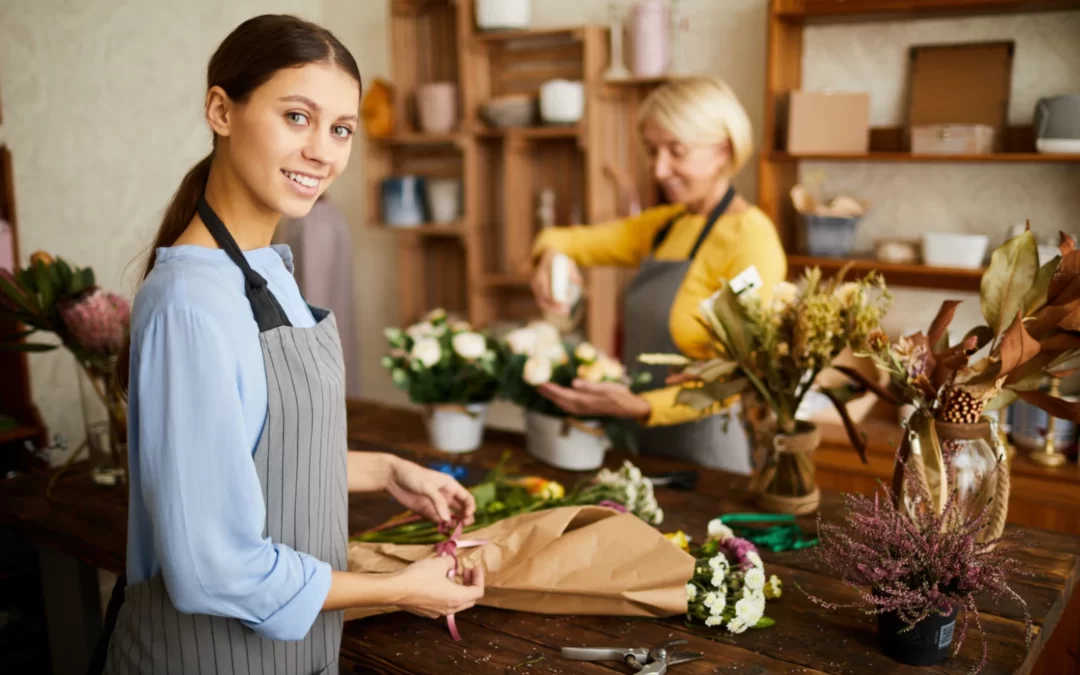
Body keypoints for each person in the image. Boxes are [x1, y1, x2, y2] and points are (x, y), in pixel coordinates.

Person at [94, 15, 483, 675]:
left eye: (340, 130)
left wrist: (386, 469)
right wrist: (399, 587)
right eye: (297, 117)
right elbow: (213, 568)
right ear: (221, 109)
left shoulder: (268, 265)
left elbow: (262, 455)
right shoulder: (190, 302)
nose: (323, 152)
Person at [529, 77, 786, 474]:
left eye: (676, 151)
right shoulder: (666, 226)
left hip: (708, 457)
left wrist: (643, 405)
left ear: (723, 151)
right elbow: (568, 239)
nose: (659, 168)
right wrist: (549, 255)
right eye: (652, 151)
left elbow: (741, 373)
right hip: (642, 440)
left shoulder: (750, 240)